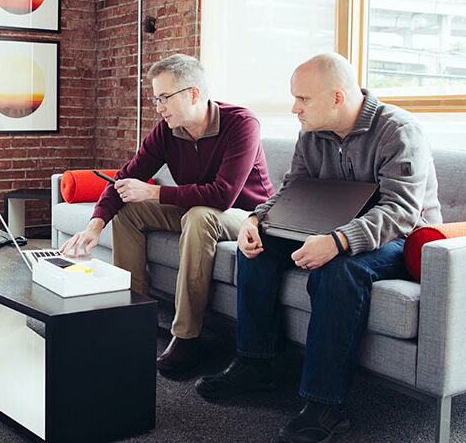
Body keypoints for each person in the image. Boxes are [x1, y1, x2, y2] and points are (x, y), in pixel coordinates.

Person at [195, 52, 441, 442]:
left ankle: (326, 404)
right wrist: (256, 220)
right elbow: (292, 189)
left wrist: (339, 241)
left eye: (303, 99)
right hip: (327, 226)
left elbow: (401, 212)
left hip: (398, 238)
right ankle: (258, 364)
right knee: (255, 248)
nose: (294, 108)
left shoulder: (398, 131)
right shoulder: (312, 133)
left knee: (339, 269)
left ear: (337, 98)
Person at [60, 53, 274, 373]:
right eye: (156, 99)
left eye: (164, 97)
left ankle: (187, 337)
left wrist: (154, 192)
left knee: (199, 216)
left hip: (248, 216)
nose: (158, 107)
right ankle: (133, 314)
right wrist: (95, 224)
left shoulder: (242, 123)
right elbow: (124, 179)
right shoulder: (167, 131)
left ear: (193, 94)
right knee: (131, 210)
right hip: (196, 208)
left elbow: (223, 194)